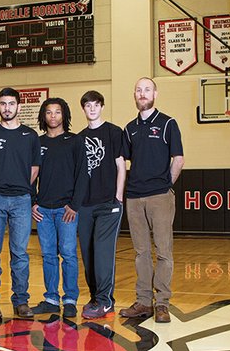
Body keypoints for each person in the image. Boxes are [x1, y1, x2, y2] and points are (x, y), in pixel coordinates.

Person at [119, 77, 184, 323]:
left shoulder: (168, 124)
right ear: (134, 95)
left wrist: (165, 185)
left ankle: (163, 303)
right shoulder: (129, 128)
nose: (142, 93)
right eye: (138, 90)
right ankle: (144, 302)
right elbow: (122, 163)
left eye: (147, 89)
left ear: (155, 94)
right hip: (134, 198)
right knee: (141, 252)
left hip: (160, 196)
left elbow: (178, 158)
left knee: (164, 251)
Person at [0, 87, 40, 319]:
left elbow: (35, 169)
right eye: (3, 104)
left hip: (22, 200)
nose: (7, 108)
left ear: (19, 106)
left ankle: (21, 301)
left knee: (20, 253)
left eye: (11, 104)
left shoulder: (30, 136)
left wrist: (19, 187)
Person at [30, 97, 88, 318]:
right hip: (43, 209)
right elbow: (31, 176)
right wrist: (33, 202)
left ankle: (71, 299)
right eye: (49, 112)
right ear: (43, 116)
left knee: (69, 254)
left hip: (66, 211)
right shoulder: (38, 142)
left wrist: (74, 205)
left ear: (64, 115)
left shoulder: (74, 141)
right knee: (48, 256)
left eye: (57, 112)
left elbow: (82, 175)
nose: (53, 116)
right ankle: (51, 299)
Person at [77, 90, 126, 319]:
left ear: (102, 106)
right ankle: (96, 297)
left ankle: (106, 301)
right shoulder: (79, 138)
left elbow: (120, 166)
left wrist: (117, 198)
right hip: (85, 205)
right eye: (88, 105)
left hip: (108, 203)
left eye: (96, 104)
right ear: (84, 109)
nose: (92, 108)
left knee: (103, 253)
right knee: (88, 255)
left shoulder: (114, 132)